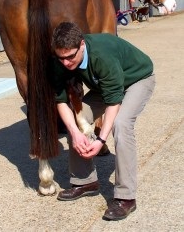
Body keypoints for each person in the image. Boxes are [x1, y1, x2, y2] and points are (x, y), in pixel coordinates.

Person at [51, 22, 155, 221]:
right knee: (80, 119)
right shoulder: (60, 59)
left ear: (82, 45)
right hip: (106, 85)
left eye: (70, 57)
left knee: (121, 124)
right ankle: (84, 181)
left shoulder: (102, 55)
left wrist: (100, 140)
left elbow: (114, 101)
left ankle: (126, 197)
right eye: (61, 57)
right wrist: (74, 132)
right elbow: (60, 100)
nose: (66, 63)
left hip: (137, 79)